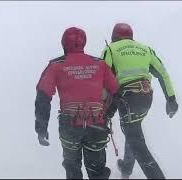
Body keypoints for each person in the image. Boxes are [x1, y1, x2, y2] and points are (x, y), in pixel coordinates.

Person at [34, 27, 119, 179]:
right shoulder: (99, 64)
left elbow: (43, 96)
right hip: (97, 125)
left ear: (63, 44)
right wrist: (108, 113)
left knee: (72, 170)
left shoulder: (56, 65)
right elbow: (116, 92)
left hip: (70, 127)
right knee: (97, 172)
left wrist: (41, 127)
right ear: (84, 43)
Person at [101, 23, 179, 179]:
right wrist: (171, 100)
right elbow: (163, 74)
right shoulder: (145, 49)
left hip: (126, 100)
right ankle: (126, 169)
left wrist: (103, 109)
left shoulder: (110, 49)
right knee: (133, 130)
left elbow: (103, 80)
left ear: (114, 37)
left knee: (136, 140)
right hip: (145, 98)